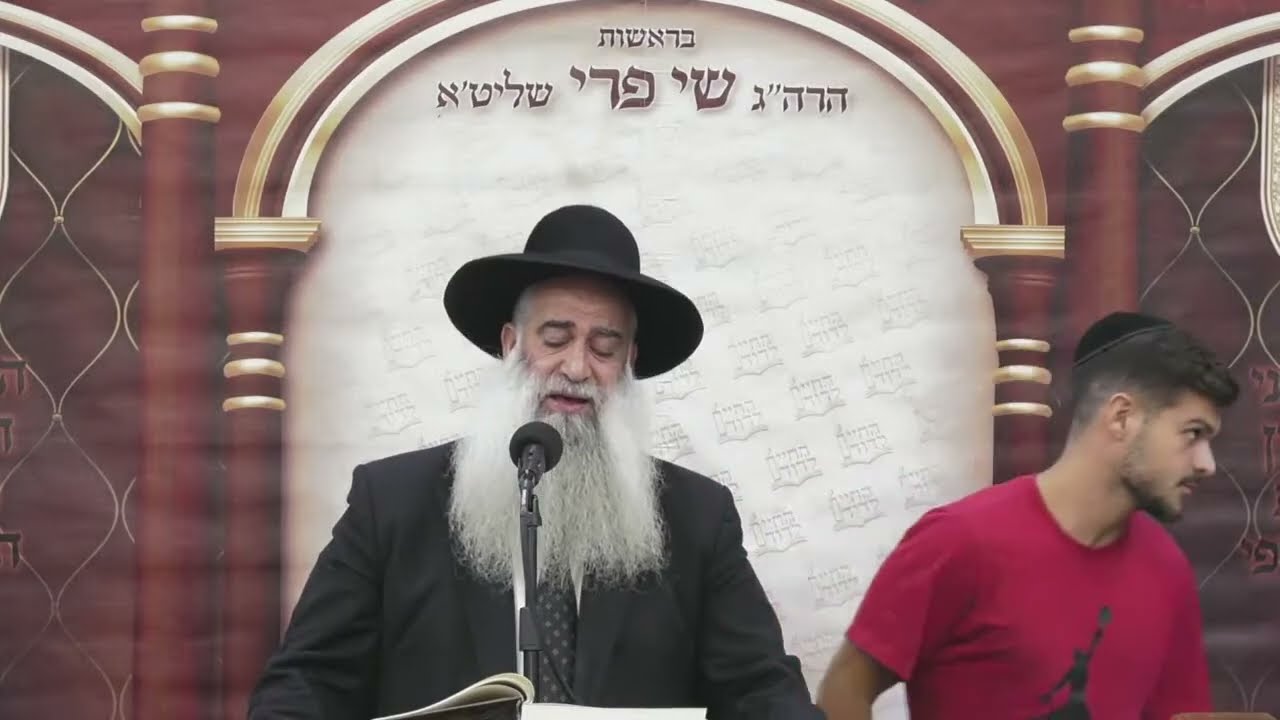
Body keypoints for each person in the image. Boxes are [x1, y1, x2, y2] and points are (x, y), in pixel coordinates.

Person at [248, 204, 821, 719]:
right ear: (510, 344)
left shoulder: (696, 518)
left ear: (629, 363)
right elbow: (306, 686)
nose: (576, 367)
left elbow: (761, 690)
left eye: (603, 347)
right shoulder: (393, 504)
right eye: (555, 338)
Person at [815, 311, 1239, 719]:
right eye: (1193, 433)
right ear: (1121, 418)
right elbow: (845, 689)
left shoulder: (1167, 569)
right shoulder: (959, 540)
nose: (1207, 464)